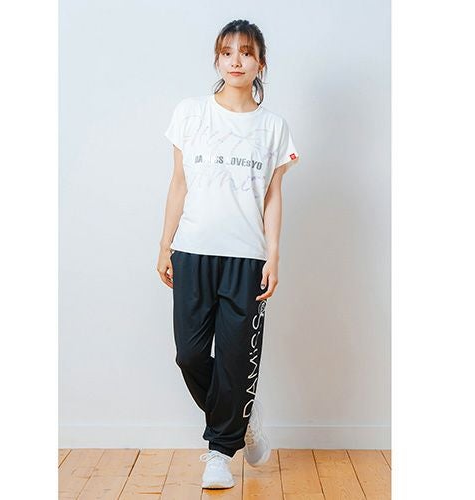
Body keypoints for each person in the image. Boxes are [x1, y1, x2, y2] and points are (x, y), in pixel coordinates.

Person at [157, 19, 300, 490]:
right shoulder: (190, 113)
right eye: (227, 52)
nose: (236, 61)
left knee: (236, 359)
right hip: (192, 251)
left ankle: (219, 452)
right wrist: (165, 244)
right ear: (217, 60)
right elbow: (179, 183)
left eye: (246, 52)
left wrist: (273, 255)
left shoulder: (273, 127)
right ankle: (243, 416)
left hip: (246, 258)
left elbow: (273, 196)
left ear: (261, 63)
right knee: (189, 355)